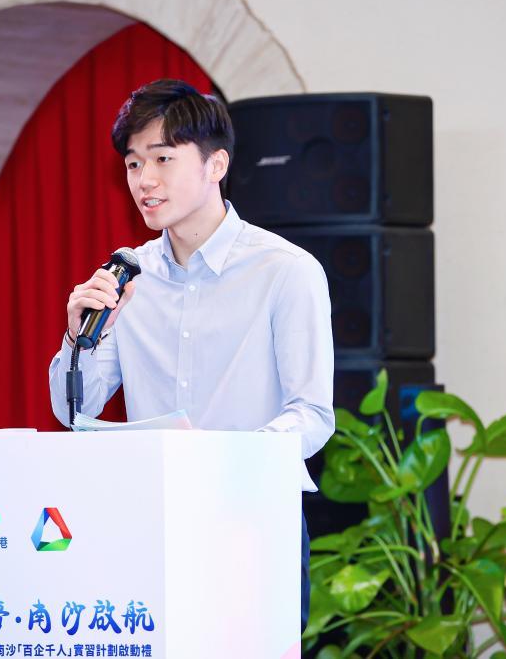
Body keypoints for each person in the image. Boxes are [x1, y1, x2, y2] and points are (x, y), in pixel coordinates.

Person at [47, 79, 334, 630]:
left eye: (163, 159)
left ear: (215, 165)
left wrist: (223, 464)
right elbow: (73, 411)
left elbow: (312, 414)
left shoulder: (285, 271)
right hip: (148, 520)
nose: (144, 180)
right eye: (133, 164)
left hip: (250, 522)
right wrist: (77, 338)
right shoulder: (129, 276)